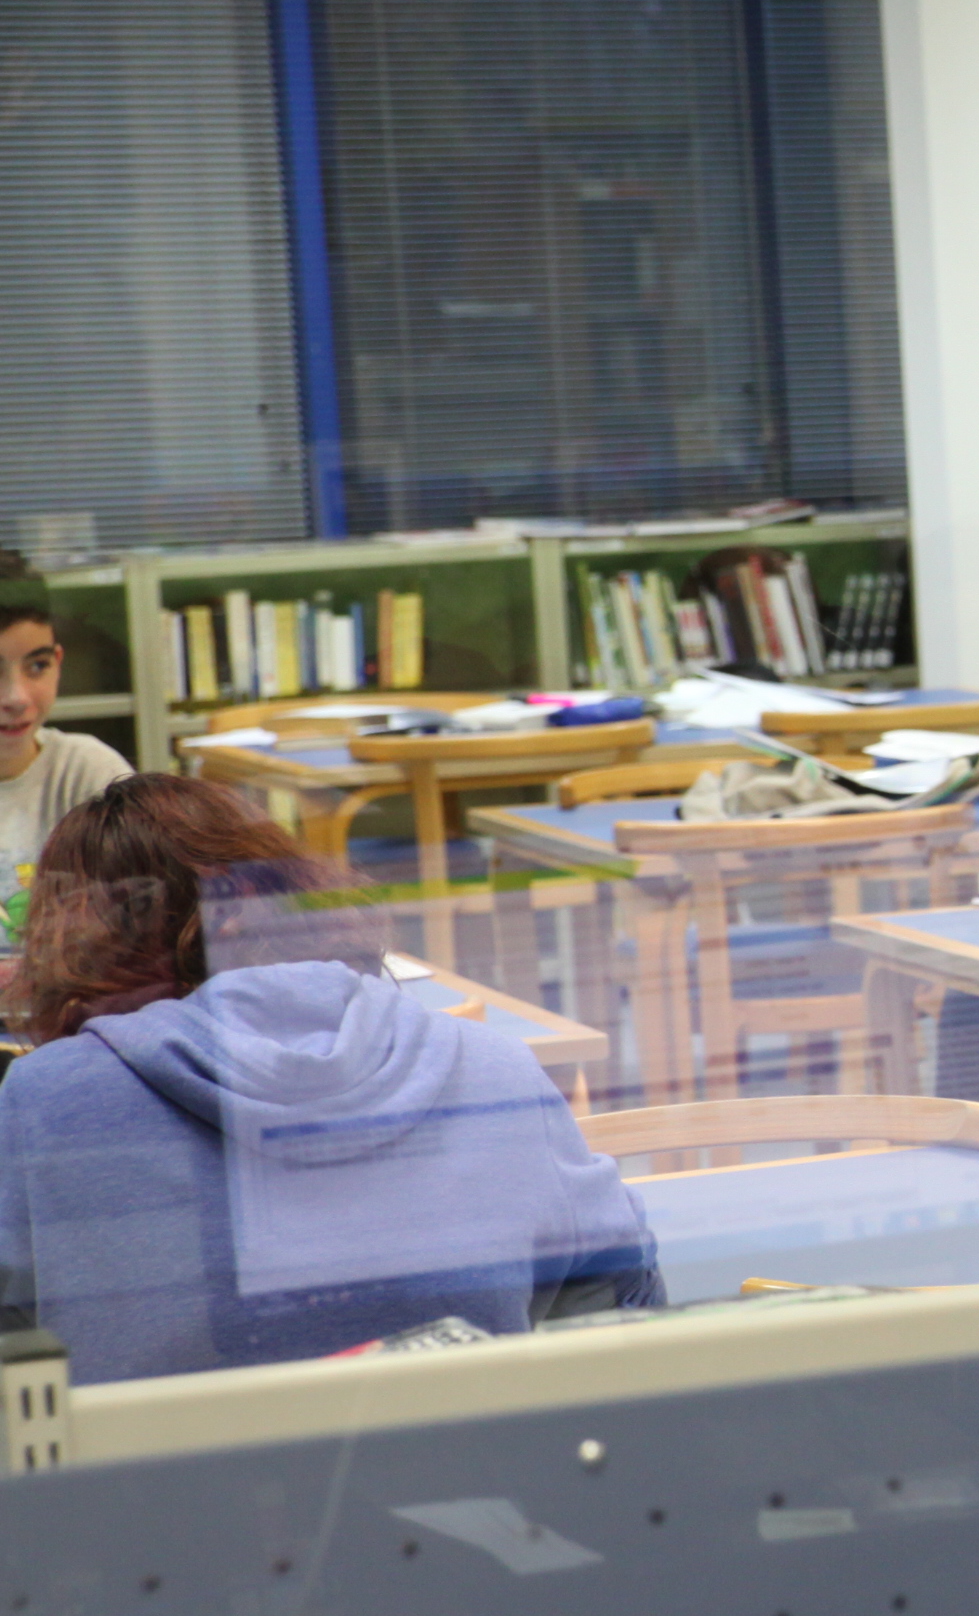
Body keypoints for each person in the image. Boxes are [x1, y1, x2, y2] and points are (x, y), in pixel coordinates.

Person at [0, 776, 660, 1380]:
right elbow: (625, 1300)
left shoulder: (46, 1099)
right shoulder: (494, 1063)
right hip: (469, 1486)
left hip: (159, 1501)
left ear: (80, 944)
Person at [0, 550, 134, 950]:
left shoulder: (90, 772)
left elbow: (146, 926)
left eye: (36, 666)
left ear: (58, 661)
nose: (17, 697)